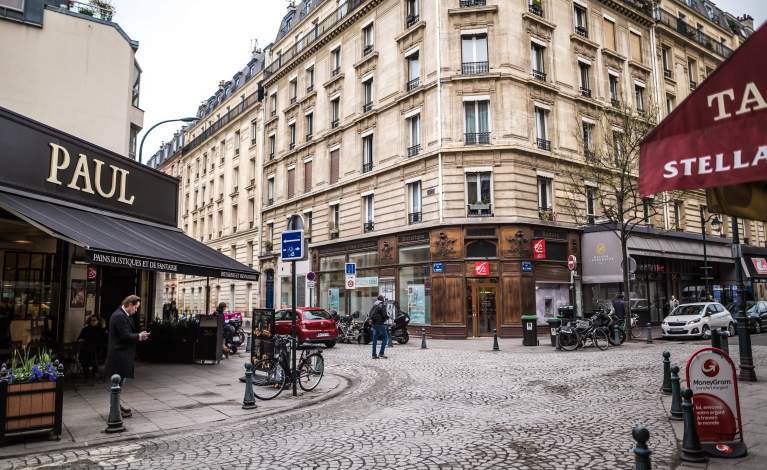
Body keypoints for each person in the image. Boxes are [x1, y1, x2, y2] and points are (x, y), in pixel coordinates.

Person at [105, 295, 150, 418]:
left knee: (119, 384)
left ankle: (116, 407)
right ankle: (115, 409)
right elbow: (124, 336)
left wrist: (139, 336)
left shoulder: (124, 315)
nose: (136, 310)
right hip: (119, 355)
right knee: (117, 384)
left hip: (121, 354)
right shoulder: (119, 316)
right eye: (135, 307)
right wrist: (139, 336)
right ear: (129, 304)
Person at [368, 295, 389, 359]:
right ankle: (381, 353)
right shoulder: (382, 305)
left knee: (375, 339)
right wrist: (387, 318)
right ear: (382, 299)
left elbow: (370, 313)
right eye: (383, 298)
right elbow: (384, 314)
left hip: (374, 324)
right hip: (380, 323)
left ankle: (374, 354)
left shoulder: (374, 305)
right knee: (385, 337)